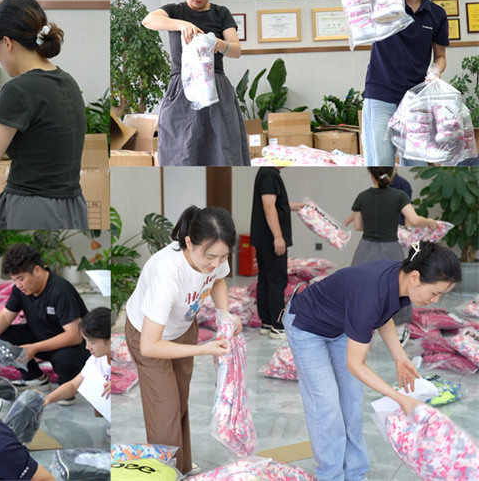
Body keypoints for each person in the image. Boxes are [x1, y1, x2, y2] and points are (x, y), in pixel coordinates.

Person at [283, 242, 461, 481]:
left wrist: (400, 357)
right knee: (326, 404)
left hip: (341, 326)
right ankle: (331, 475)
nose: (436, 300)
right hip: (307, 326)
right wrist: (400, 398)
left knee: (352, 402)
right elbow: (356, 364)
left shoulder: (399, 278)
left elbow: (382, 315)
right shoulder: (371, 292)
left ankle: (356, 473)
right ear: (416, 277)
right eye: (435, 293)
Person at [0, 0, 88, 229]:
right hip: (73, 206)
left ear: (7, 43)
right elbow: (42, 134)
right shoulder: (66, 81)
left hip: (33, 208)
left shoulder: (18, 89)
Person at [125, 206, 238, 475]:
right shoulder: (167, 273)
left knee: (179, 399)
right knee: (164, 409)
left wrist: (225, 315)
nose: (216, 263)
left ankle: (182, 466)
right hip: (149, 336)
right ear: (189, 242)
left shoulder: (215, 254)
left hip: (183, 328)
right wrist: (203, 349)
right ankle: (166, 473)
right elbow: (149, 346)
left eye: (223, 256)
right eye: (210, 256)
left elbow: (218, 280)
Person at [142, 0, 249, 166]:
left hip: (215, 90)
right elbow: (148, 20)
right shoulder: (175, 11)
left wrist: (219, 44)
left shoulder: (221, 13)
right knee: (179, 151)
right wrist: (181, 24)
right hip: (182, 88)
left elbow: (236, 50)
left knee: (221, 152)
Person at [360, 0, 448, 166]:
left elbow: (440, 56)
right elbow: (360, 2)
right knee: (381, 164)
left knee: (416, 165)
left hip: (415, 99)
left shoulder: (437, 14)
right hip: (380, 94)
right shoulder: (385, 4)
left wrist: (435, 71)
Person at [344, 167, 438, 346]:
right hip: (391, 249)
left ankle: (359, 329)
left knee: (361, 288)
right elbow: (415, 220)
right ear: (393, 172)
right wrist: (431, 223)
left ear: (371, 175)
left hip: (365, 249)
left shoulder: (362, 196)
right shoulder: (399, 195)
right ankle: (399, 331)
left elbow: (358, 226)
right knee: (398, 288)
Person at [0, 244, 90, 395]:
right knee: (0, 337)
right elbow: (5, 316)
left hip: (70, 346)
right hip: (40, 336)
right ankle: (35, 377)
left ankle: (68, 387)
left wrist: (34, 348)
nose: (18, 285)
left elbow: (74, 336)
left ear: (37, 270)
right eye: (14, 280)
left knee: (64, 361)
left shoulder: (60, 291)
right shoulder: (20, 290)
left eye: (21, 279)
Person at [250, 167, 305, 339]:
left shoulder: (266, 173)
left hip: (264, 239)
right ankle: (277, 325)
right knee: (276, 281)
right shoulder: (270, 174)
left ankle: (266, 322)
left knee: (266, 279)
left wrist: (296, 206)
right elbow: (268, 206)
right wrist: (278, 236)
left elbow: (275, 203)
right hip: (271, 240)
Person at [43, 307, 112, 408]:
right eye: (86, 341)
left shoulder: (126, 360)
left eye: (92, 342)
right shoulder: (96, 360)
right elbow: (73, 385)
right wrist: (47, 399)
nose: (87, 347)